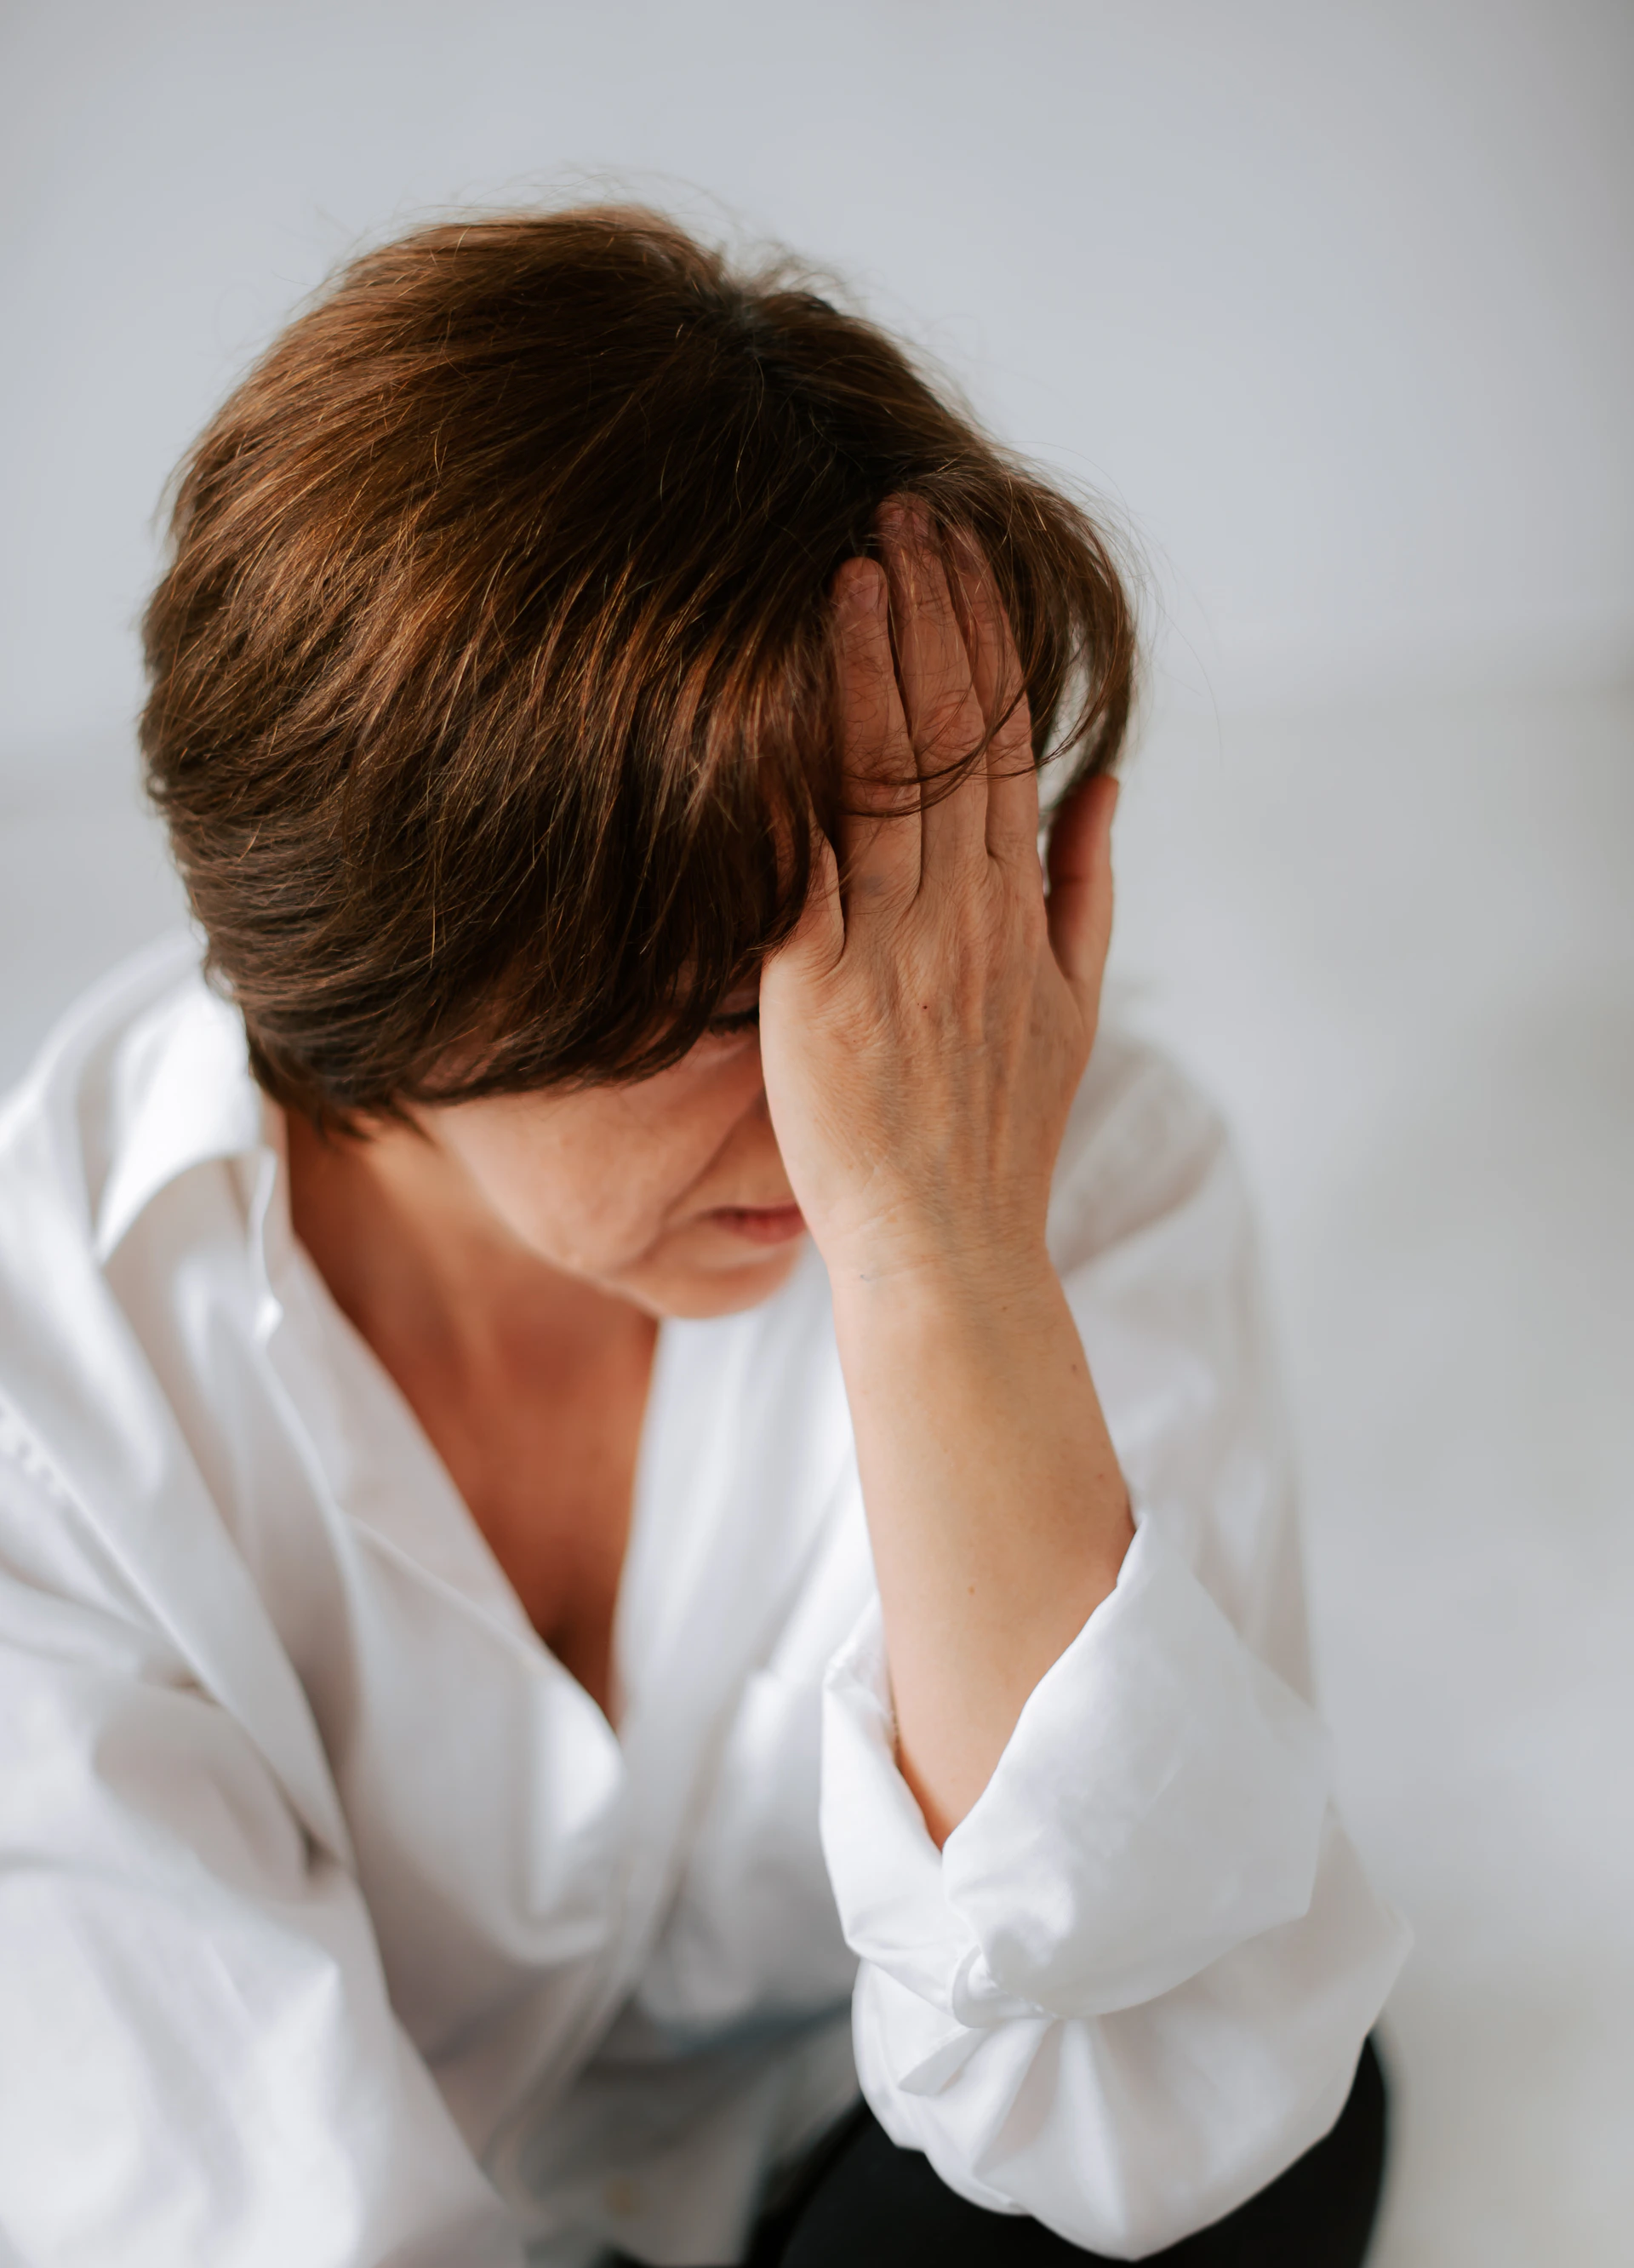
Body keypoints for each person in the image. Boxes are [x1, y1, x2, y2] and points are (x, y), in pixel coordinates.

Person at [0, 208, 1408, 2267]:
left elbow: (1175, 2087)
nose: (873, 1079)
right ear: (399, 984)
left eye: (915, 925)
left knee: (1274, 2122)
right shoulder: (56, 1399)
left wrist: (944, 1266)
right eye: (722, 1008)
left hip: (858, 2171)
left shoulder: (1055, 1167)